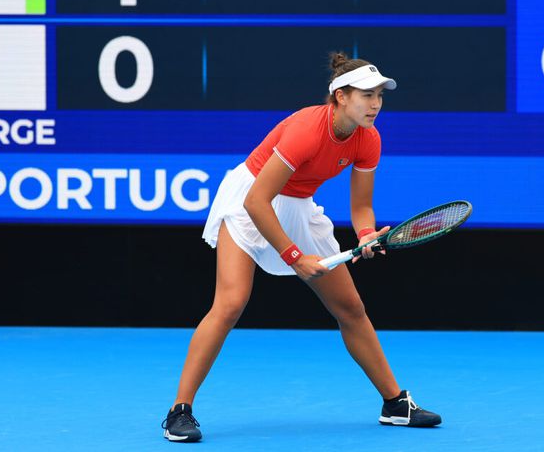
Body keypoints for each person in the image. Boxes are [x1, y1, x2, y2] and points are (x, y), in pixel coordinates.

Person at [162, 53, 441, 442]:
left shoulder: (369, 138)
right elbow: (256, 201)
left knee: (351, 307)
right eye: (366, 94)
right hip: (250, 198)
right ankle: (179, 412)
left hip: (297, 206)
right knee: (230, 303)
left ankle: (394, 404)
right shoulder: (307, 130)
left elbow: (361, 207)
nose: (376, 103)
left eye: (379, 95)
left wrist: (365, 236)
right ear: (341, 96)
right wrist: (294, 257)